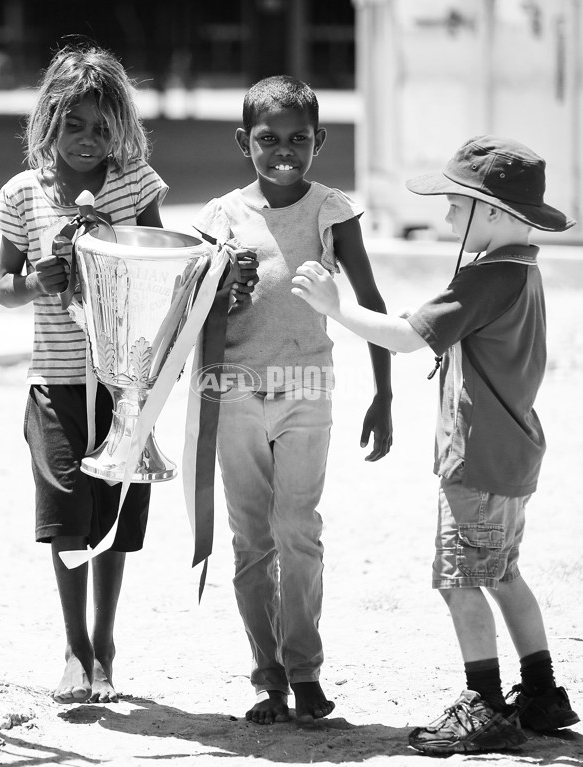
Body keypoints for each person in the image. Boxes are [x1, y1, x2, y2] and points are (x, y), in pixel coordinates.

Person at [292, 135, 579, 754]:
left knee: (459, 580)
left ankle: (485, 703)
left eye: (455, 203)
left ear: (494, 213)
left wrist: (334, 308)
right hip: (511, 451)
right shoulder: (522, 268)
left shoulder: (487, 279)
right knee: (502, 573)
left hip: (478, 457)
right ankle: (542, 692)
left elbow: (403, 337)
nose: (446, 216)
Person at [193, 75, 393, 725]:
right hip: (235, 393)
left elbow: (369, 303)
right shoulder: (220, 218)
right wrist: (226, 292)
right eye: (267, 139)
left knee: (297, 531)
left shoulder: (333, 210)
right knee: (252, 539)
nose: (284, 150)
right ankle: (267, 678)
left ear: (320, 141)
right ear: (242, 141)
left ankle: (305, 670)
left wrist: (384, 391)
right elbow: (193, 316)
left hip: (309, 391)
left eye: (298, 139)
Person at [0, 43, 170, 706]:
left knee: (111, 517)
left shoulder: (134, 185)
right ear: (49, 122)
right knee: (65, 512)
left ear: (121, 127)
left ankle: (105, 643)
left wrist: (114, 248)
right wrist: (38, 280)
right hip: (54, 382)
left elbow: (164, 265)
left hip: (124, 383)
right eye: (75, 125)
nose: (90, 140)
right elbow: (5, 288)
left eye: (103, 127)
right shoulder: (21, 194)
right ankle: (75, 645)